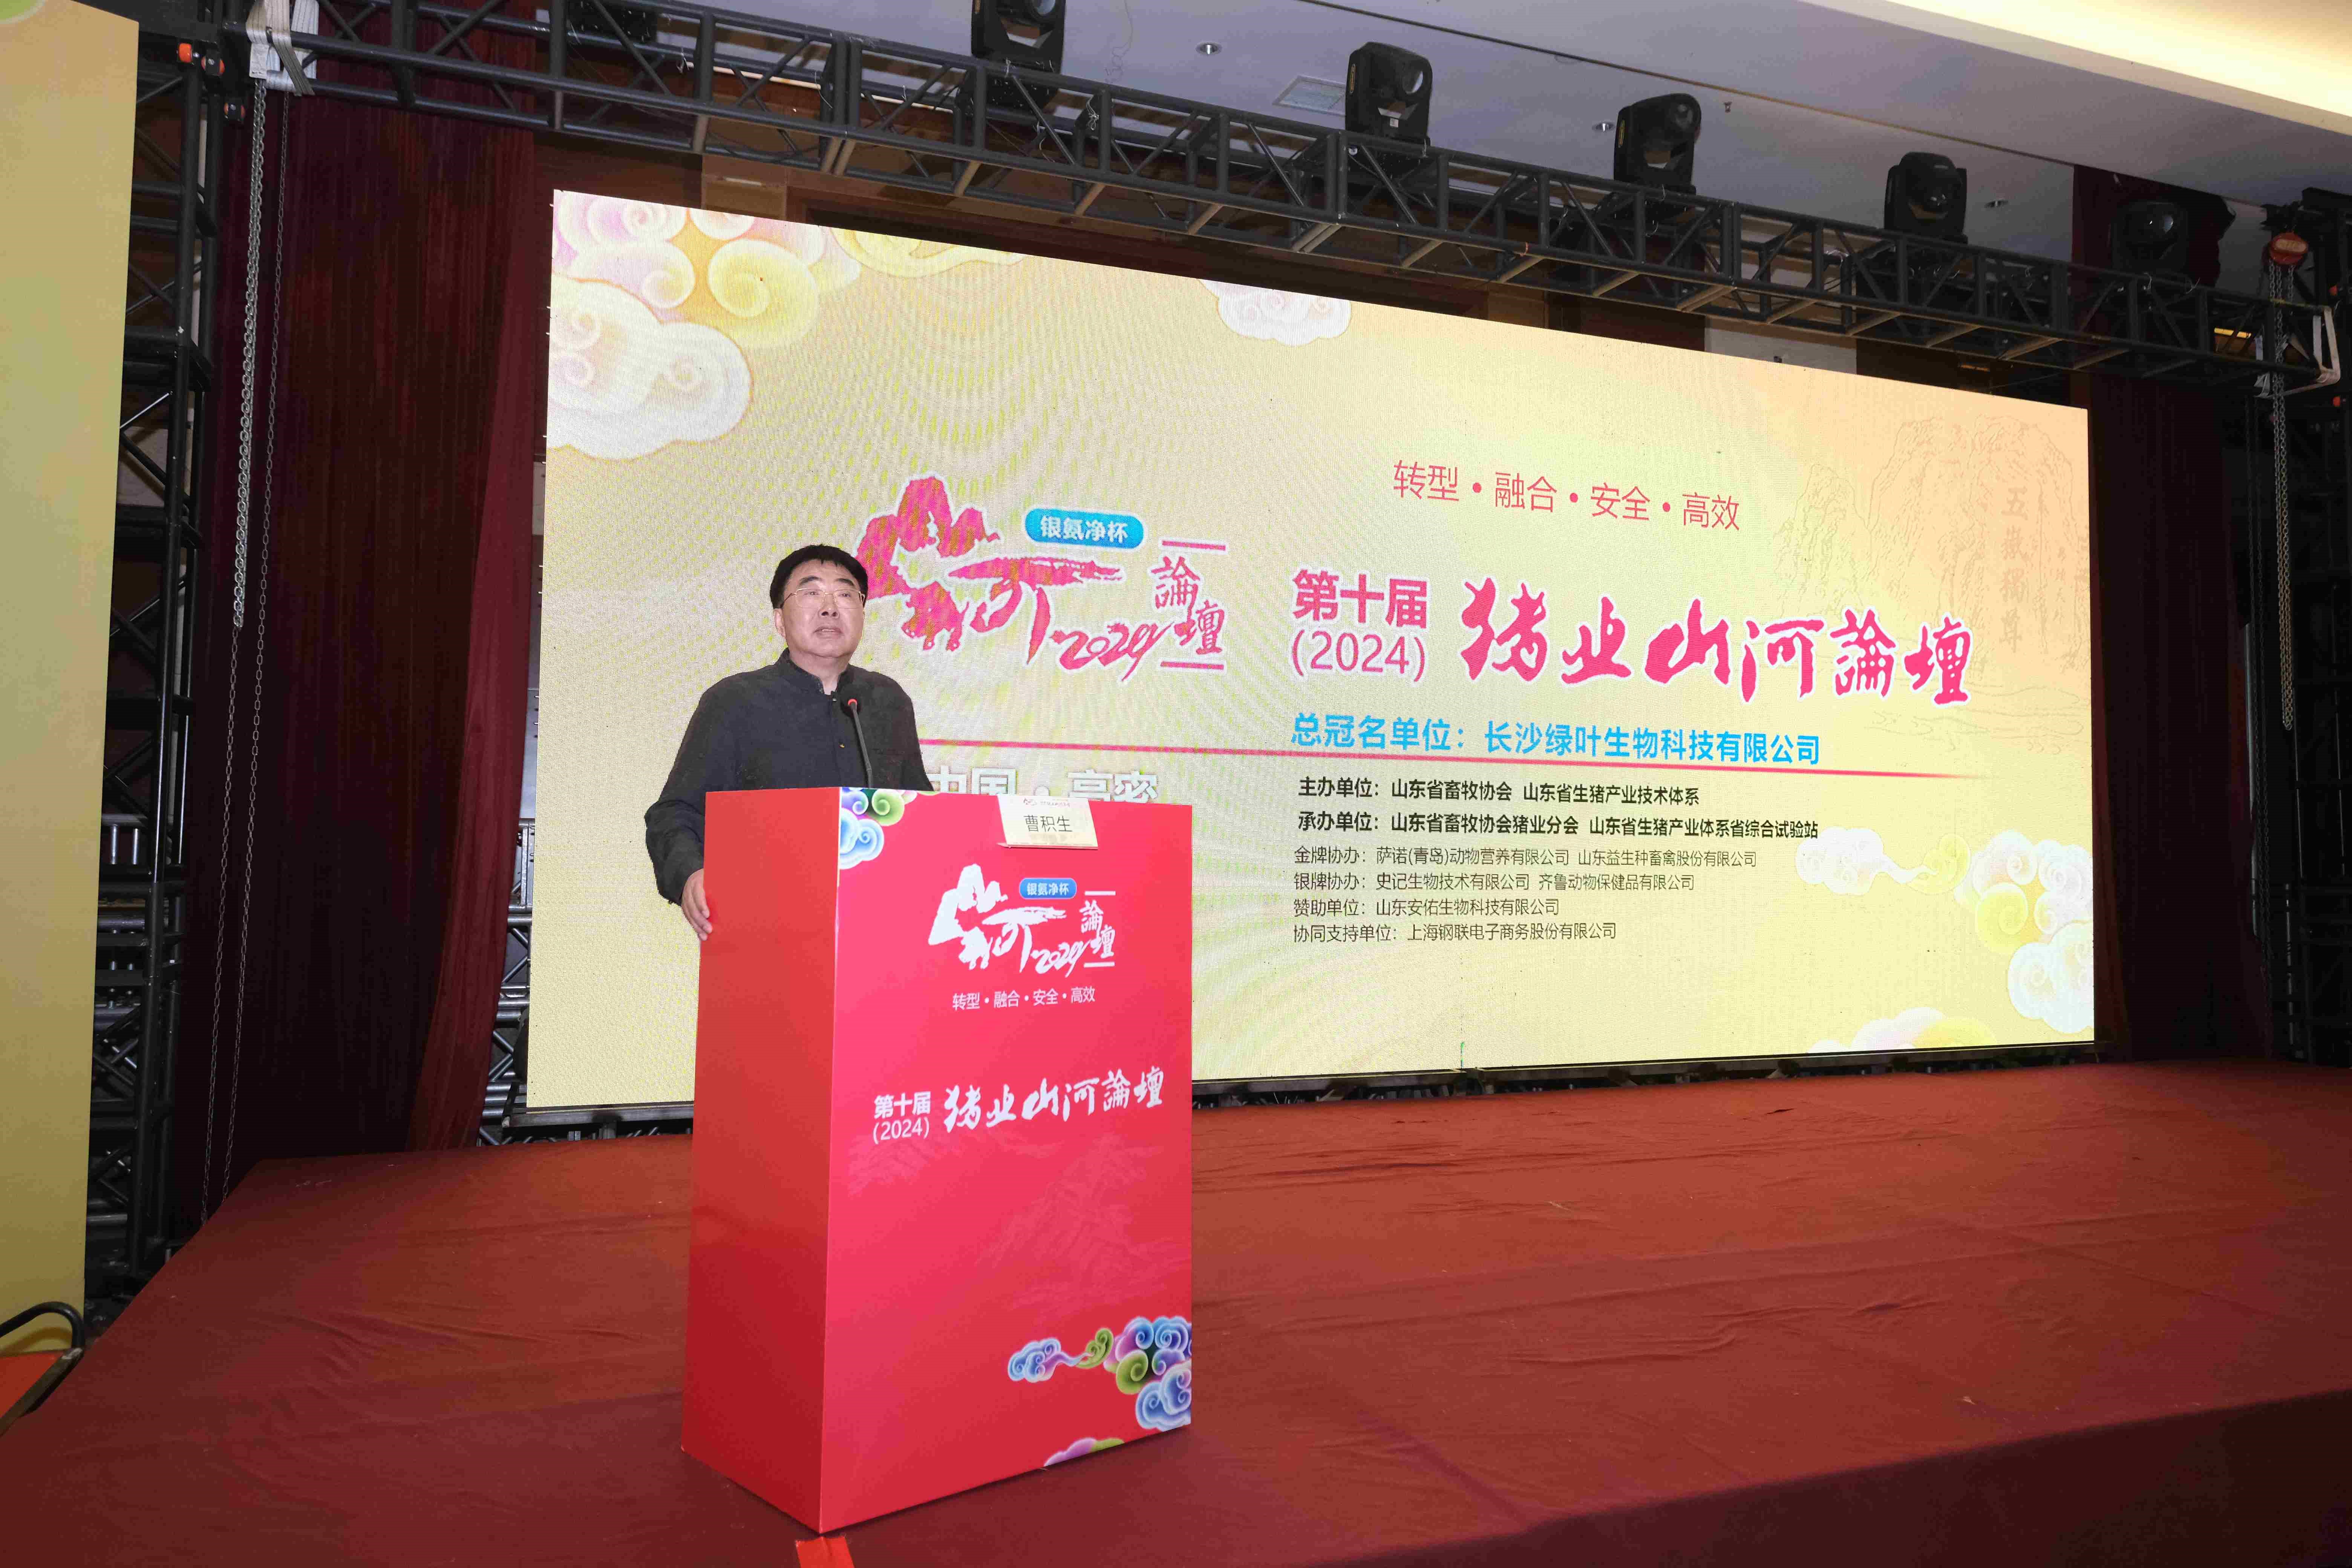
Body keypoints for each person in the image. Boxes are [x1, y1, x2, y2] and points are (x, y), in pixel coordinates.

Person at [646, 543, 931, 940]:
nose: (830, 607)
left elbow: (921, 813)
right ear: (780, 620)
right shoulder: (735, 701)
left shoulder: (888, 701)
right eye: (811, 592)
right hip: (764, 927)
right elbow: (675, 813)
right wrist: (691, 874)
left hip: (878, 926)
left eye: (846, 594)